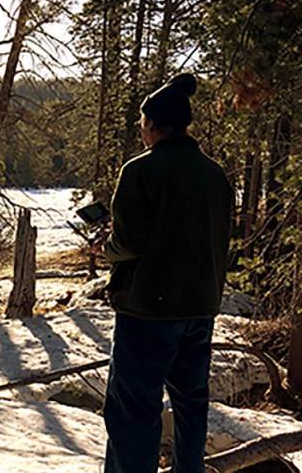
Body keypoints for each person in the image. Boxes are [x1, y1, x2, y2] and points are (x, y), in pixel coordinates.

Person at [101, 73, 234, 473]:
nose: (141, 130)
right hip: (200, 307)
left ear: (155, 125)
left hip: (148, 311)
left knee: (133, 413)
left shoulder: (141, 170)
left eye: (143, 123)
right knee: (192, 405)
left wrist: (103, 248)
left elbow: (127, 242)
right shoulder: (216, 175)